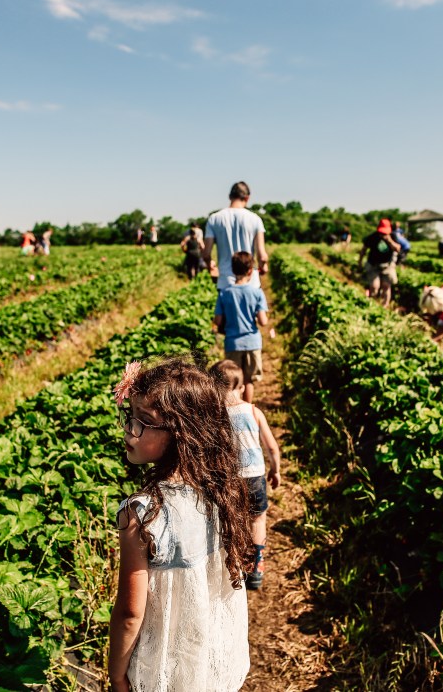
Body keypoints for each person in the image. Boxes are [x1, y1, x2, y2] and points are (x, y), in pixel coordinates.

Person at [109, 358, 251, 692]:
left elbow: (130, 613)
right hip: (216, 659)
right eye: (130, 417)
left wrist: (116, 675)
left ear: (181, 434)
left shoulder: (143, 515)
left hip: (168, 674)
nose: (130, 430)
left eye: (144, 422)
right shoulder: (222, 488)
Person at [210, 359, 282, 591]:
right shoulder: (254, 411)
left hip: (230, 478)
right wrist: (276, 470)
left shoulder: (216, 416)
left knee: (234, 518)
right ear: (241, 387)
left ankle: (237, 563)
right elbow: (272, 447)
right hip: (255, 477)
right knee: (257, 519)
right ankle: (256, 568)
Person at [213, 251, 269, 403]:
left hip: (232, 342)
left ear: (232, 270)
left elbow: (217, 321)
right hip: (252, 341)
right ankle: (248, 409)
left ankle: (234, 411)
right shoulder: (257, 292)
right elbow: (263, 321)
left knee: (234, 380)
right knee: (248, 380)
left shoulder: (224, 293)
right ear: (251, 270)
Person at [203, 181, 269, 291]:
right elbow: (262, 256)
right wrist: (263, 266)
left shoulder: (214, 219)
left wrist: (210, 265)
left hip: (225, 282)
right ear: (247, 198)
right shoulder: (255, 219)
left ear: (230, 197)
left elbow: (206, 254)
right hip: (250, 282)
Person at [357, 219, 401, 308]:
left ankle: (384, 306)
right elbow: (363, 250)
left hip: (387, 265)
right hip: (373, 265)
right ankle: (371, 305)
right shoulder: (372, 237)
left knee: (386, 286)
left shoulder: (393, 236)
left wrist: (389, 241)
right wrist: (360, 262)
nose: (382, 235)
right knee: (374, 286)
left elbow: (398, 249)